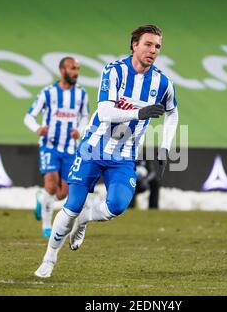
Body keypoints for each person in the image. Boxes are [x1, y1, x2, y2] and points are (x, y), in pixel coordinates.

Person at [34, 24, 179, 278]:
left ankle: (85, 220)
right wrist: (139, 112)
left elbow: (172, 113)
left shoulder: (163, 82)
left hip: (123, 157)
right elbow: (104, 111)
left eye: (157, 46)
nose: (153, 50)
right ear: (134, 45)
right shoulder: (114, 71)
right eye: (148, 44)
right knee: (72, 206)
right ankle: (50, 257)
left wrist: (166, 146)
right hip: (93, 148)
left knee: (118, 205)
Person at [24, 57, 89, 238]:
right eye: (72, 68)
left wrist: (80, 130)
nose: (75, 72)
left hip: (70, 149)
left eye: (77, 68)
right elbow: (29, 117)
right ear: (62, 70)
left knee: (61, 194)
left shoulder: (81, 95)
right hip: (50, 146)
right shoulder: (48, 93)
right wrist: (37, 128)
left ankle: (40, 197)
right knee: (51, 187)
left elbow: (85, 116)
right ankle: (47, 226)